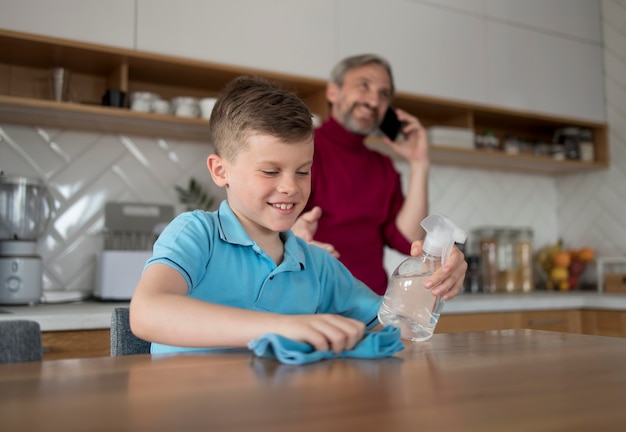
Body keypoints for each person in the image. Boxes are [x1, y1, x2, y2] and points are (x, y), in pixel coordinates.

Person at [130, 76, 466, 355]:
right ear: (221, 171)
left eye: (303, 171)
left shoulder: (317, 267)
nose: (291, 187)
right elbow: (147, 312)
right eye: (271, 171)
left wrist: (435, 275)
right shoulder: (196, 234)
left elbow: (398, 331)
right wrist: (281, 326)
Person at [292, 54, 464, 295]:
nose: (374, 100)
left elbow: (409, 241)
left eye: (384, 94)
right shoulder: (302, 149)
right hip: (312, 303)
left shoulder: (383, 167)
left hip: (372, 306)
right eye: (364, 85)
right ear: (333, 92)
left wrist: (419, 163)